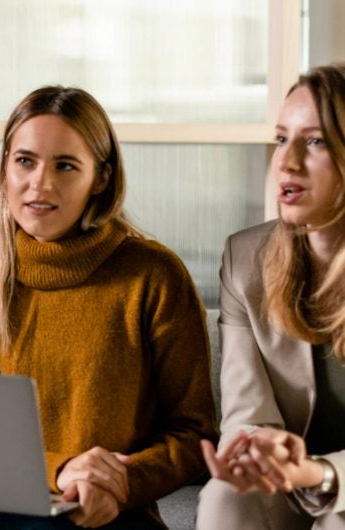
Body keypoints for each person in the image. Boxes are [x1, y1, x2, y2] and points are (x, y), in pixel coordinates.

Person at [0, 86, 216, 530]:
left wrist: (120, 481)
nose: (40, 184)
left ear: (100, 178)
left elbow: (195, 437)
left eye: (65, 166)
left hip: (111, 512)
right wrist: (62, 470)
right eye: (25, 161)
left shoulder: (153, 275)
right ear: (5, 166)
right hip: (12, 506)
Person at [196, 63, 345, 530]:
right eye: (282, 138)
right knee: (226, 496)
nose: (286, 161)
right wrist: (256, 450)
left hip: (334, 482)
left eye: (315, 141)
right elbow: (245, 411)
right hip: (291, 488)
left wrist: (320, 471)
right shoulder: (245, 257)